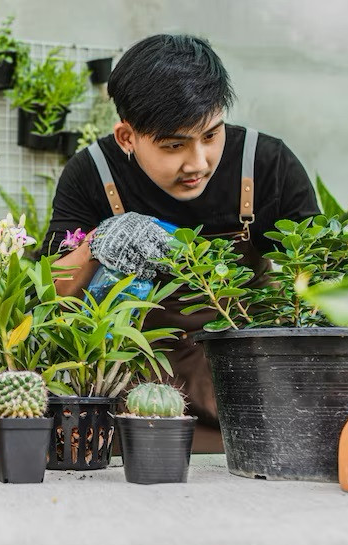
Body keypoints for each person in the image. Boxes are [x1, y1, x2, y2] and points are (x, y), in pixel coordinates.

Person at [43, 35, 319, 451]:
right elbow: (53, 292)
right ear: (127, 137)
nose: (199, 163)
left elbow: (318, 286)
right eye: (174, 145)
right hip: (132, 401)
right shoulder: (91, 173)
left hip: (246, 396)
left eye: (211, 135)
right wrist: (98, 241)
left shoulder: (267, 164)